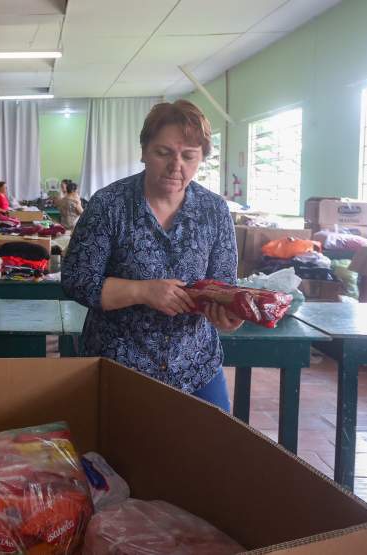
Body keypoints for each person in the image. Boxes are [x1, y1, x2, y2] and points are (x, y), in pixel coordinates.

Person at [61, 99, 242, 412]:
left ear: (201, 159)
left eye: (189, 156)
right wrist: (143, 291)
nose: (176, 166)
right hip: (117, 364)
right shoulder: (109, 205)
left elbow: (224, 285)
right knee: (115, 460)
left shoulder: (214, 210)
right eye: (163, 153)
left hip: (194, 365)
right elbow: (77, 280)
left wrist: (230, 313)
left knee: (212, 455)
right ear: (144, 151)